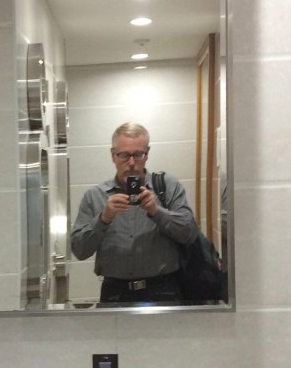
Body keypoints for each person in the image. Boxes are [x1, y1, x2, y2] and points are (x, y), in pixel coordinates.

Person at [70, 122, 199, 303]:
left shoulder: (168, 187)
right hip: (115, 293)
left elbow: (190, 234)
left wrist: (157, 212)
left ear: (147, 154)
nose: (131, 163)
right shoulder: (94, 196)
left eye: (138, 155)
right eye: (124, 155)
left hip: (164, 290)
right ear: (113, 155)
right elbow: (79, 250)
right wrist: (103, 219)